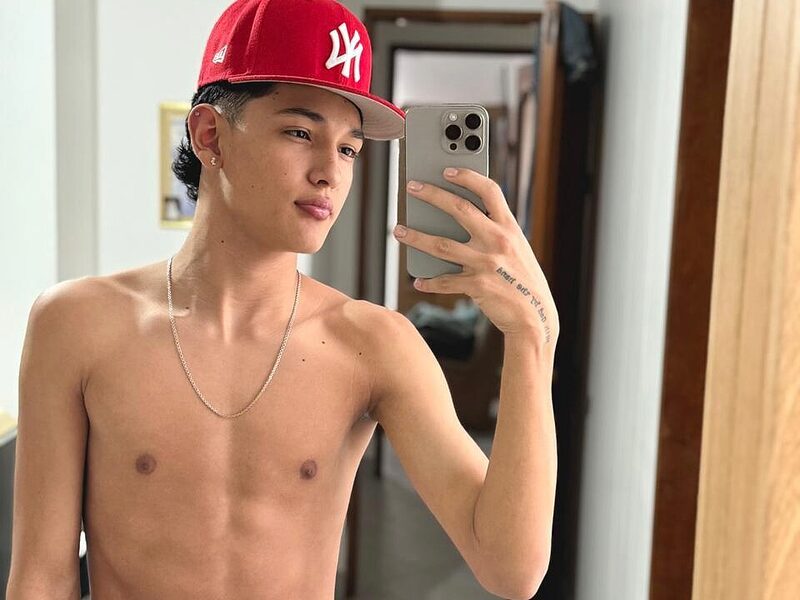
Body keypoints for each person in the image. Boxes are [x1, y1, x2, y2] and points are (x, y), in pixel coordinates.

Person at [7, 1, 559, 598]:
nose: (330, 173)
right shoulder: (77, 325)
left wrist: (534, 337)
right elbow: (42, 577)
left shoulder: (375, 344)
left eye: (348, 149)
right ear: (210, 135)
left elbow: (511, 570)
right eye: (300, 133)